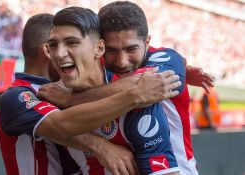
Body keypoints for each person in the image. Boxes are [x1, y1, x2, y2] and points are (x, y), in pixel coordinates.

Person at [39, 1, 214, 175]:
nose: (121, 62)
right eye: (112, 50)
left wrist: (70, 100)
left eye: (131, 49)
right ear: (100, 48)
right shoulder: (91, 70)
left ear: (147, 42)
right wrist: (97, 145)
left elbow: (139, 85)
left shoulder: (168, 58)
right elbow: (51, 125)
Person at [0, 13, 182, 175]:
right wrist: (100, 146)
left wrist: (183, 67)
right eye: (53, 45)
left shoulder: (137, 100)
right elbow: (60, 125)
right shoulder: (19, 97)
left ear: (98, 49)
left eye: (71, 43)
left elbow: (163, 63)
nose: (61, 53)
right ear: (47, 51)